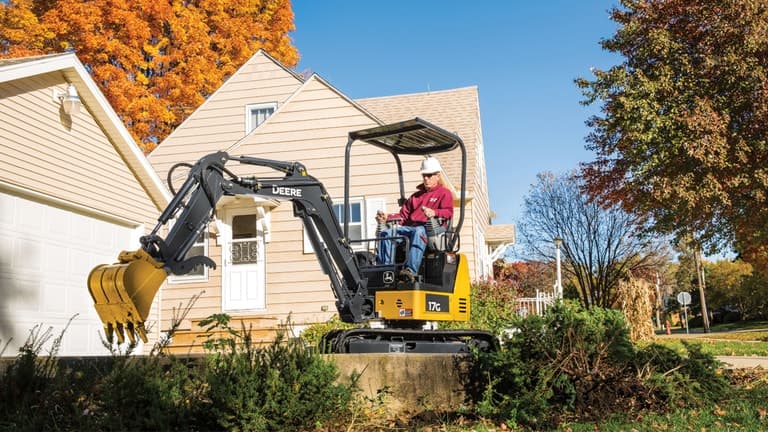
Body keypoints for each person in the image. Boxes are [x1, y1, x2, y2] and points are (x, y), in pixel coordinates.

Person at [376, 156, 454, 282]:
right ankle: (386, 270)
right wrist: (387, 217)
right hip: (410, 229)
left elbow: (448, 212)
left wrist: (434, 212)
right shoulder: (415, 197)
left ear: (438, 176)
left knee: (419, 231)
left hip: (431, 231)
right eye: (424, 176)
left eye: (429, 175)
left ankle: (410, 271)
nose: (426, 179)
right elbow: (403, 216)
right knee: (386, 233)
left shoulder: (444, 193)